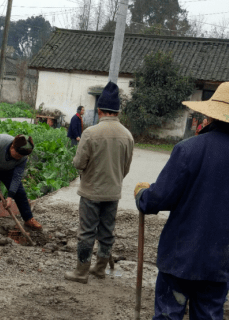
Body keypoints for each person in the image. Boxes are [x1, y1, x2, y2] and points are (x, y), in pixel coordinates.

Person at [134, 82, 229, 320]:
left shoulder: (189, 149)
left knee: (168, 314)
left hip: (179, 258)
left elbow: (159, 198)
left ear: (211, 113)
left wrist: (142, 195)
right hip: (221, 262)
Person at [64, 81, 133, 284]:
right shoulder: (127, 136)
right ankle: (100, 269)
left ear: (100, 110)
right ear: (118, 111)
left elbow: (78, 163)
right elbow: (125, 168)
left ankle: (81, 271)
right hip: (113, 192)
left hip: (91, 192)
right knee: (107, 232)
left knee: (87, 232)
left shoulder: (90, 133)